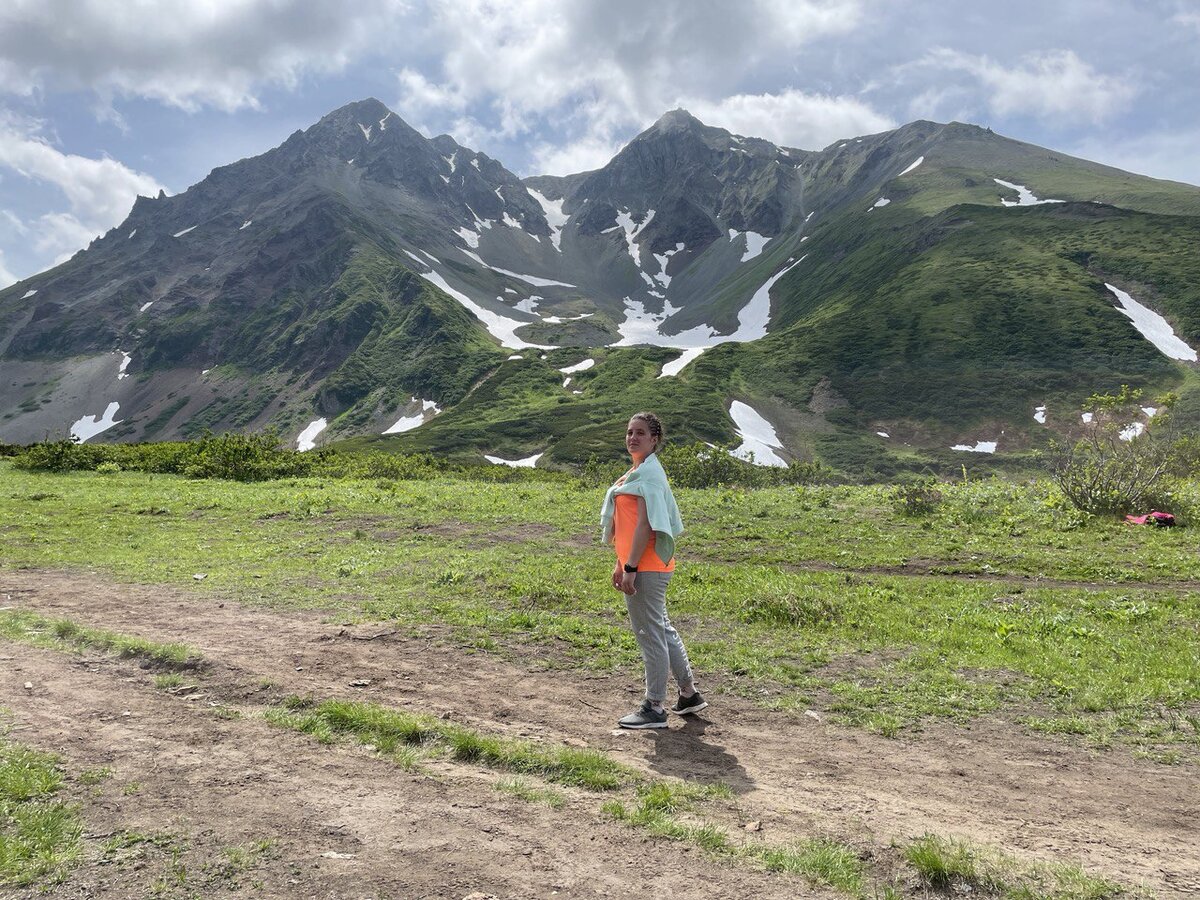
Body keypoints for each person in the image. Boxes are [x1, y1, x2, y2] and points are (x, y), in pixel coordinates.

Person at [600, 412, 706, 729]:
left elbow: (646, 526)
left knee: (650, 635)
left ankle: (654, 707)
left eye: (641, 433)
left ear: (654, 439)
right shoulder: (637, 473)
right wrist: (621, 562)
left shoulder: (648, 476)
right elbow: (629, 526)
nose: (633, 437)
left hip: (646, 567)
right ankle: (688, 694)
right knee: (661, 627)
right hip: (645, 565)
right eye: (630, 432)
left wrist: (631, 566)